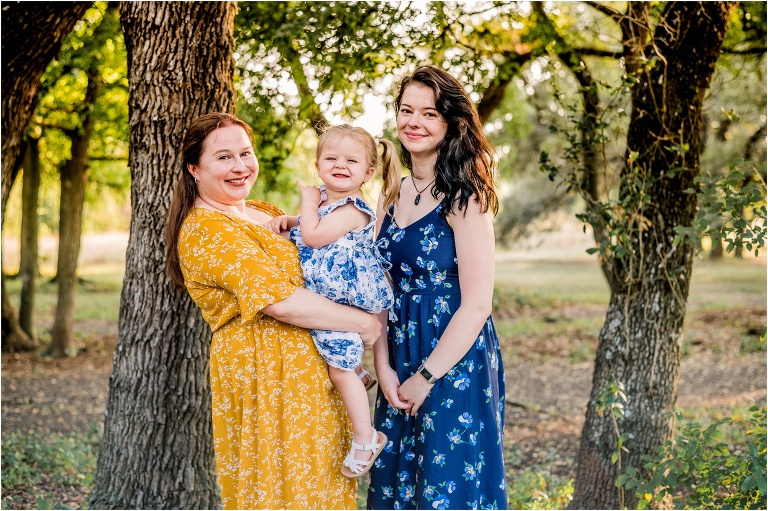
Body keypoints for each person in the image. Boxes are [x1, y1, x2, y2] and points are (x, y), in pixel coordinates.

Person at [165, 113, 381, 509]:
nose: (240, 166)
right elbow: (280, 301)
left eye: (245, 153)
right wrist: (364, 322)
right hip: (266, 379)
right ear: (194, 168)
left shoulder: (262, 210)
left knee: (321, 486)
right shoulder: (206, 229)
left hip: (313, 378)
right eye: (224, 157)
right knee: (281, 490)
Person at [367, 66, 508, 509]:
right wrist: (385, 367)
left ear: (450, 122)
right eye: (406, 110)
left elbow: (478, 304)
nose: (414, 122)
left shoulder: (466, 195)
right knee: (398, 482)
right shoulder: (391, 191)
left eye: (428, 113)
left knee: (448, 485)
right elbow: (378, 288)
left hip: (451, 361)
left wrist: (426, 376)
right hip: (398, 357)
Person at [266, 124, 400, 478]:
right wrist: (291, 219)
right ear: (318, 164)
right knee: (334, 355)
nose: (340, 164)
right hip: (333, 299)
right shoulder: (327, 204)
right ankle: (358, 373)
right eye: (331, 157)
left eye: (351, 160)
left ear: (368, 172)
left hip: (351, 301)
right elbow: (307, 226)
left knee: (337, 372)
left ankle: (366, 437)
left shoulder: (355, 208)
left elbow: (313, 236)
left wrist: (306, 205)